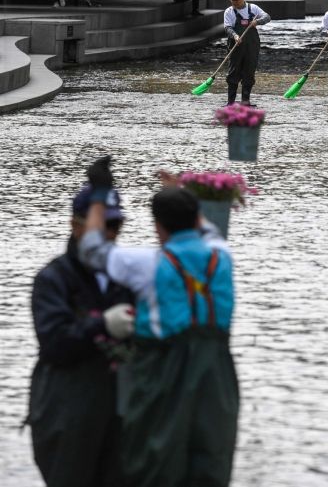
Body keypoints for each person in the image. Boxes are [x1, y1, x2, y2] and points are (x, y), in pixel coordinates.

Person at [78, 157, 239, 487]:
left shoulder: (146, 264)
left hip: (163, 370)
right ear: (195, 218)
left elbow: (92, 250)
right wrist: (180, 193)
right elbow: (207, 229)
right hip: (217, 374)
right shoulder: (221, 255)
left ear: (157, 227)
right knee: (211, 458)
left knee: (155, 459)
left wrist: (99, 195)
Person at [29, 183, 134, 487]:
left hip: (120, 410)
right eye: (104, 226)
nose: (110, 235)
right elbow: (54, 344)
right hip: (67, 409)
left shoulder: (127, 275)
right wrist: (102, 325)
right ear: (75, 226)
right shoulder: (53, 278)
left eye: (116, 225)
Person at [224, 0, 271, 105]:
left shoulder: (253, 8)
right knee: (233, 73)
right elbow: (227, 28)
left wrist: (257, 21)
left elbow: (267, 17)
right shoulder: (229, 11)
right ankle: (230, 102)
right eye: (232, 0)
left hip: (252, 46)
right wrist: (235, 36)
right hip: (235, 46)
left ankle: (245, 101)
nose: (234, 3)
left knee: (249, 73)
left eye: (236, 0)